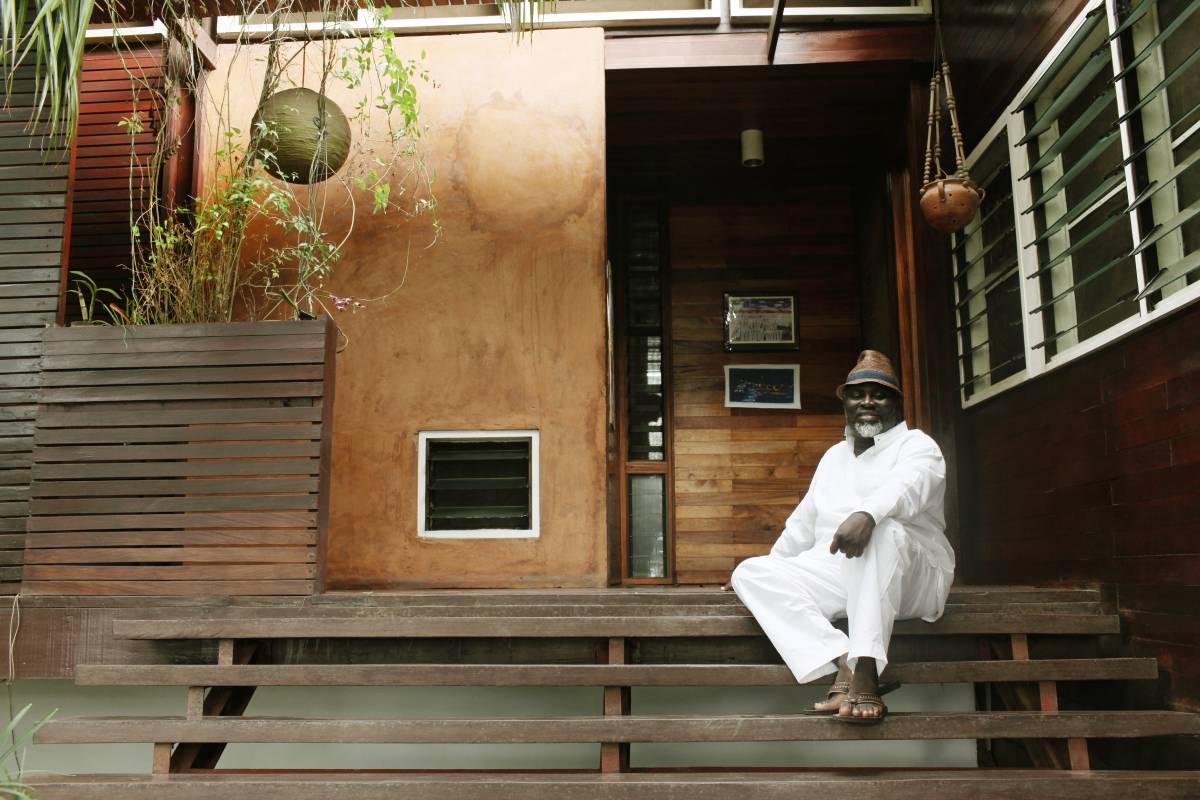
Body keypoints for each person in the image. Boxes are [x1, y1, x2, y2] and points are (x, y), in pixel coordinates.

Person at [725, 350, 954, 723]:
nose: (867, 402)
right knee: (750, 572)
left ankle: (867, 670)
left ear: (896, 404)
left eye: (879, 395)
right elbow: (803, 523)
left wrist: (867, 515)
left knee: (882, 530)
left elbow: (907, 486)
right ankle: (845, 661)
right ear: (845, 403)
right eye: (857, 395)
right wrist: (771, 573)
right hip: (846, 576)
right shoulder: (834, 456)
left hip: (912, 578)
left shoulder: (917, 446)